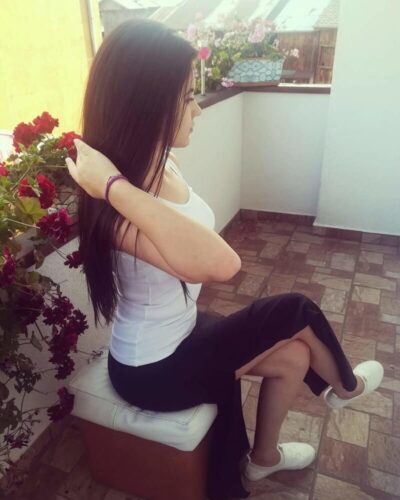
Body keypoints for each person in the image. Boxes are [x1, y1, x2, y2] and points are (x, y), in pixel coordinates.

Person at [65, 18, 384, 500]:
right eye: (185, 98)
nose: (197, 109)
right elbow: (222, 264)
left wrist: (120, 184)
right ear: (146, 104)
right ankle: (345, 388)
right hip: (151, 370)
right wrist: (113, 187)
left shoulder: (162, 161)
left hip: (183, 331)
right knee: (294, 309)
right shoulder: (115, 212)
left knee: (295, 355)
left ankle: (263, 460)